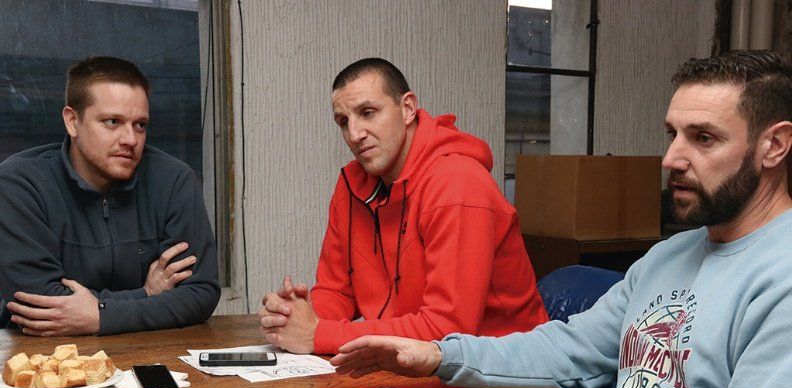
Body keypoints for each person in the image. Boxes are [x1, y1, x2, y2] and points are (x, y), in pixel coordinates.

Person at [329, 50, 792, 388]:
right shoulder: (668, 256)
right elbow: (567, 350)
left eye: (703, 138)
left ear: (773, 146)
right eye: (672, 134)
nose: (671, 158)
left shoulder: (781, 278)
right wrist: (437, 355)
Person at [259, 58, 548, 354]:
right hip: (414, 362)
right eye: (343, 122)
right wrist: (299, 316)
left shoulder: (458, 184)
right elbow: (338, 290)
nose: (355, 134)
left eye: (368, 113)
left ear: (407, 108)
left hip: (502, 366)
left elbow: (448, 331)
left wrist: (319, 334)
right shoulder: (351, 186)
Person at [0, 56, 220, 336]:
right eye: (112, 121)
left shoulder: (175, 180)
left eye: (140, 125)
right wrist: (145, 294)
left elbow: (200, 293)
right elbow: (38, 302)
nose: (130, 139)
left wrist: (100, 316)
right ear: (72, 121)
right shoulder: (20, 183)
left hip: (150, 350)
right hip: (44, 355)